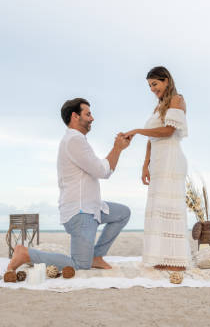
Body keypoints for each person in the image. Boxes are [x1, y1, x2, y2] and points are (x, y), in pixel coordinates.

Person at [7, 98, 131, 272]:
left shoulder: (77, 140)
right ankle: (26, 254)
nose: (92, 118)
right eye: (88, 114)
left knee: (123, 213)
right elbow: (102, 171)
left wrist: (117, 149)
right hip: (81, 213)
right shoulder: (74, 140)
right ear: (75, 116)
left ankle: (96, 255)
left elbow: (104, 170)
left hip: (93, 208)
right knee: (80, 265)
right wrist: (117, 148)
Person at [123, 66, 190, 271]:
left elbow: (168, 131)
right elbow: (152, 139)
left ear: (166, 81)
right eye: (150, 86)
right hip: (158, 162)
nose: (152, 89)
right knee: (158, 209)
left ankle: (177, 261)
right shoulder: (158, 106)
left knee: (170, 207)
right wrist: (145, 165)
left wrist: (136, 130)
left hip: (171, 158)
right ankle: (162, 257)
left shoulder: (176, 100)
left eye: (155, 84)